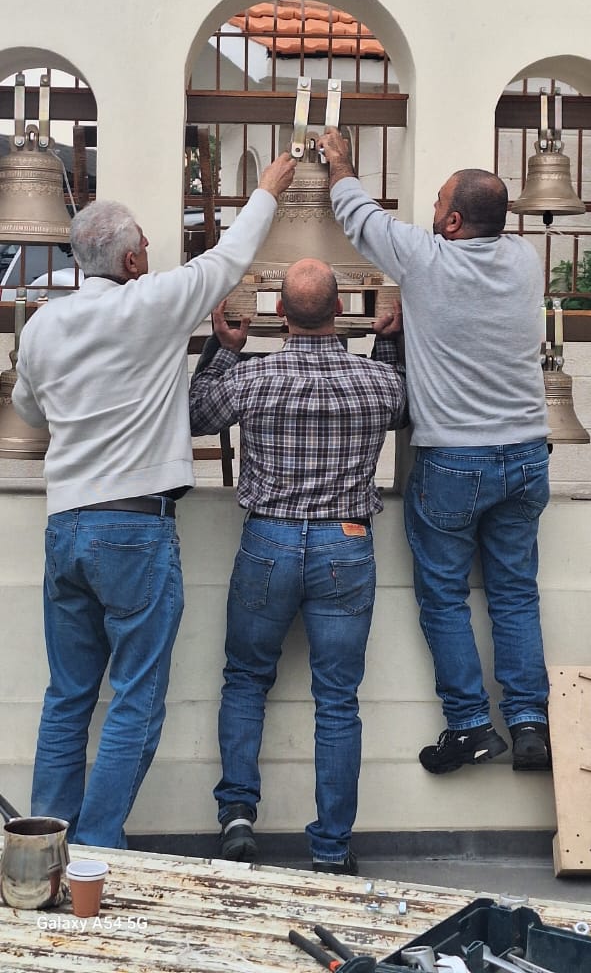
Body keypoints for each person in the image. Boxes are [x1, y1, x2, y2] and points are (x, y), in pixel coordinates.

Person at [12, 151, 296, 849]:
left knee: (67, 696)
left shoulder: (43, 325)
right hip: (134, 528)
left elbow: (28, 408)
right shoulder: (153, 304)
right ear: (133, 259)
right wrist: (265, 190)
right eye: (145, 244)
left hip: (65, 526)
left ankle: (43, 851)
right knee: (136, 696)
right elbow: (227, 260)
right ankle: (96, 850)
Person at [318, 129, 551, 777]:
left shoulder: (426, 260)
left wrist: (340, 164)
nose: (430, 210)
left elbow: (358, 215)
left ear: (451, 222)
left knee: (445, 595)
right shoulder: (524, 260)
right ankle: (529, 723)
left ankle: (471, 725)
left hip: (454, 461)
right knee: (514, 593)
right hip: (526, 455)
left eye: (439, 203)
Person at [189, 259, 407, 874]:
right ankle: (332, 848)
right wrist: (387, 343)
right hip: (346, 544)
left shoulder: (253, 377)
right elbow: (402, 406)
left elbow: (196, 414)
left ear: (279, 311)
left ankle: (237, 816)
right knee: (337, 700)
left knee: (245, 680)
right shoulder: (376, 382)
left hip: (269, 541)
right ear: (339, 309)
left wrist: (224, 348)